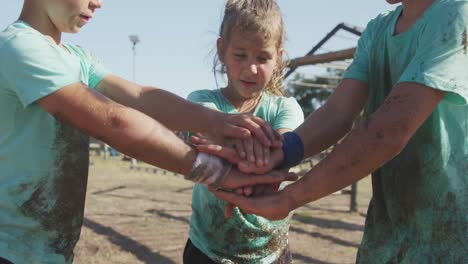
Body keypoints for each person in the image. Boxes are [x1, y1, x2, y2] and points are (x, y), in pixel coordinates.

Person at [0, 0, 296, 263]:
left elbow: (141, 97)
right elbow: (113, 123)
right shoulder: (20, 47)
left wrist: (216, 123)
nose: (99, 3)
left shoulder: (77, 59)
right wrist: (215, 171)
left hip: (47, 248)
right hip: (10, 247)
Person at [205, 0, 468, 263]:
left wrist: (289, 198)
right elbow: (337, 114)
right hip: (389, 239)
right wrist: (280, 153)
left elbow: (389, 130)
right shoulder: (378, 29)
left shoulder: (457, 13)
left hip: (454, 238)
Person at [183, 1, 304, 263]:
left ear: (278, 58)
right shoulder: (201, 103)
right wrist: (265, 152)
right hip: (207, 250)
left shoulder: (287, 108)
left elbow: (286, 145)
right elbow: (204, 129)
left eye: (263, 58)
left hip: (271, 254)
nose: (251, 69)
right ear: (222, 50)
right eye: (240, 55)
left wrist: (247, 151)